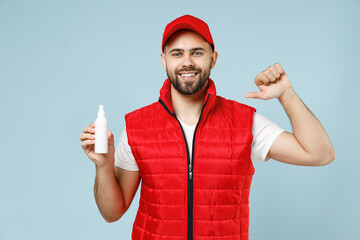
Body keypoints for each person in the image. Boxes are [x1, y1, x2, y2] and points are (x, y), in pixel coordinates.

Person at [80, 15, 335, 240]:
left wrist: (286, 94)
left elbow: (320, 154)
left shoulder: (246, 122)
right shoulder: (137, 127)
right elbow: (111, 213)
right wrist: (103, 166)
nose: (187, 62)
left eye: (197, 52)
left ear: (213, 58)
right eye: (177, 53)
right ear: (163, 60)